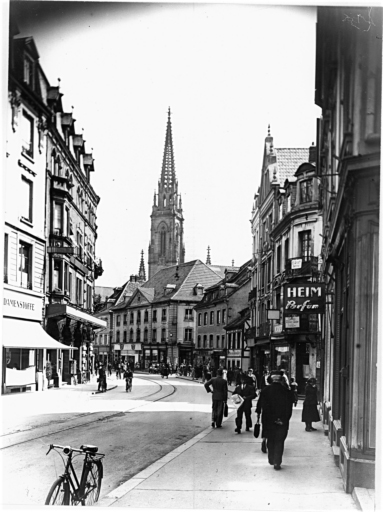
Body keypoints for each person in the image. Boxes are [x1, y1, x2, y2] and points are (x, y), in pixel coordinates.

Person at [256, 373, 294, 470]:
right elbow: (289, 409)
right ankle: (277, 462)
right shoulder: (286, 391)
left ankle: (271, 459)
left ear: (272, 380)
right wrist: (284, 419)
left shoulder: (265, 391)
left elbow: (260, 406)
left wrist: (259, 416)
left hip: (268, 421)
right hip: (282, 421)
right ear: (281, 380)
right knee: (279, 441)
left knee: (270, 439)